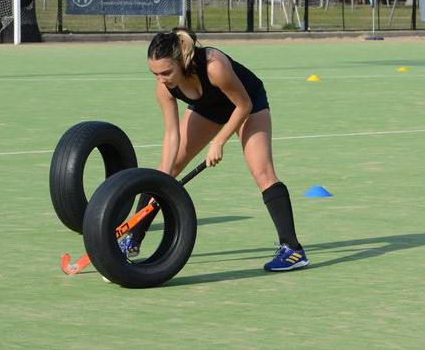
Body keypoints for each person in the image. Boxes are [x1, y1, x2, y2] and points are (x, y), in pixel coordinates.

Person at [120, 28, 309, 271]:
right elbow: (171, 133)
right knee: (165, 171)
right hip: (209, 109)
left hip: (247, 104)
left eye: (166, 72)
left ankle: (293, 250)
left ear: (182, 62)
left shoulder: (213, 66)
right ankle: (133, 239)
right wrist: (162, 180)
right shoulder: (163, 87)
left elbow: (243, 105)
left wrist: (218, 141)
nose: (161, 79)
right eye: (155, 74)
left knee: (262, 172)